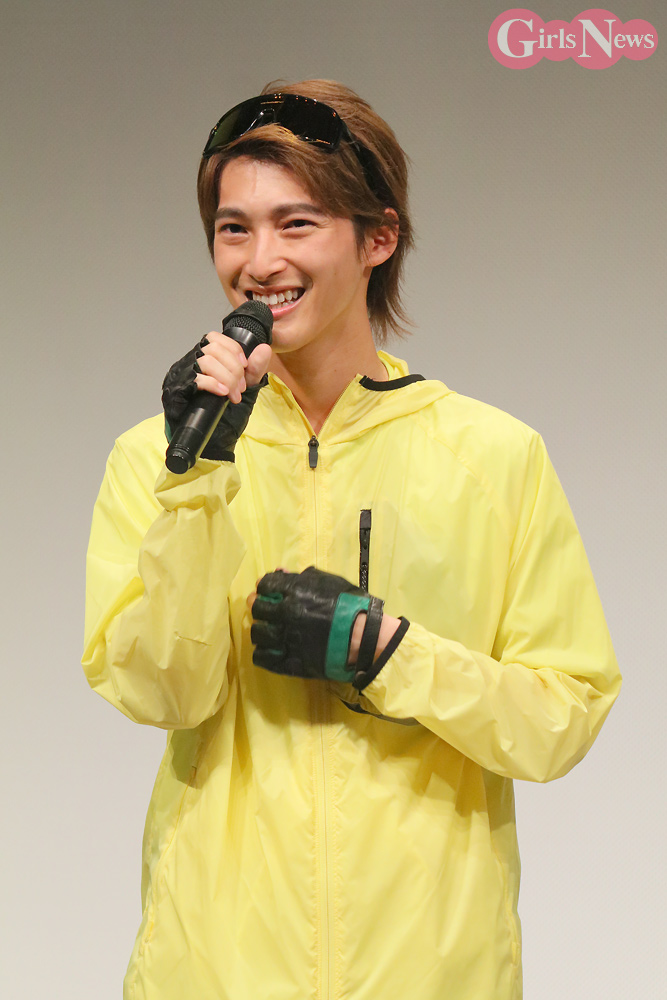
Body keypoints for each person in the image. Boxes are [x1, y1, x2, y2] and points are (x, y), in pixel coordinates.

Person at [82, 80, 621, 1000]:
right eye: (233, 228)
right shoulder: (161, 459)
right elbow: (160, 691)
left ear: (378, 237)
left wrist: (386, 652)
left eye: (297, 223)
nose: (260, 262)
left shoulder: (494, 456)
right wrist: (196, 481)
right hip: (211, 972)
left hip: (433, 974)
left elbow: (559, 722)